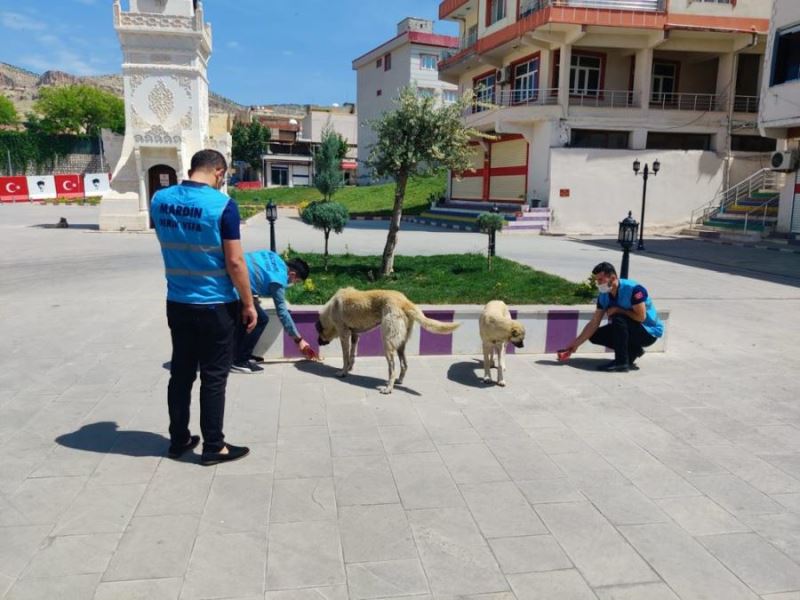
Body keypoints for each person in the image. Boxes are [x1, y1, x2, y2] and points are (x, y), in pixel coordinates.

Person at [151, 149, 256, 466]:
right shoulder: (223, 205)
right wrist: (248, 303)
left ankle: (179, 439)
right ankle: (214, 446)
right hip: (215, 305)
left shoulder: (159, 199)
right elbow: (235, 261)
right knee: (213, 377)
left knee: (181, 374)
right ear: (220, 172)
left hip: (178, 302)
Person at [561, 262, 663, 372]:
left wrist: (620, 310)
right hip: (631, 330)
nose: (598, 284)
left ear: (613, 278)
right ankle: (633, 350)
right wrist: (575, 344)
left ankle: (621, 363)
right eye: (597, 280)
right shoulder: (604, 295)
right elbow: (594, 323)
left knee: (618, 318)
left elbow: (641, 317)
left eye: (601, 280)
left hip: (648, 332)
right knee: (595, 335)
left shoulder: (634, 290)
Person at [231, 250, 317, 373]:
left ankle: (238, 355)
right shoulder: (278, 279)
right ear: (292, 274)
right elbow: (282, 312)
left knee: (251, 316)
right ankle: (240, 361)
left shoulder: (273, 257)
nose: (293, 283)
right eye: (296, 281)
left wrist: (253, 293)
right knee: (261, 319)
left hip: (233, 275)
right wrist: (299, 340)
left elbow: (255, 269)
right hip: (233, 286)